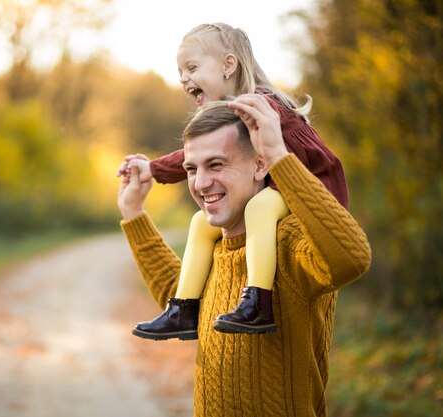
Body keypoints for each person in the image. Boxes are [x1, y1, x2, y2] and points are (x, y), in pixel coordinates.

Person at [117, 95, 371, 416]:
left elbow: (351, 258)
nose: (200, 183)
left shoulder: (289, 241)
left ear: (260, 165)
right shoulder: (213, 243)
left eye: (217, 164)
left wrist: (280, 155)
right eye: (192, 169)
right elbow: (178, 297)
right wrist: (134, 213)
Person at [117, 23, 349, 339]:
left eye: (192, 67)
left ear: (228, 65)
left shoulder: (258, 104)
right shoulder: (237, 111)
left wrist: (155, 169)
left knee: (259, 208)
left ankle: (257, 302)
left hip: (313, 189)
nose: (183, 77)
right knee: (201, 222)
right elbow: (198, 154)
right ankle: (183, 308)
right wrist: (153, 169)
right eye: (180, 71)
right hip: (282, 187)